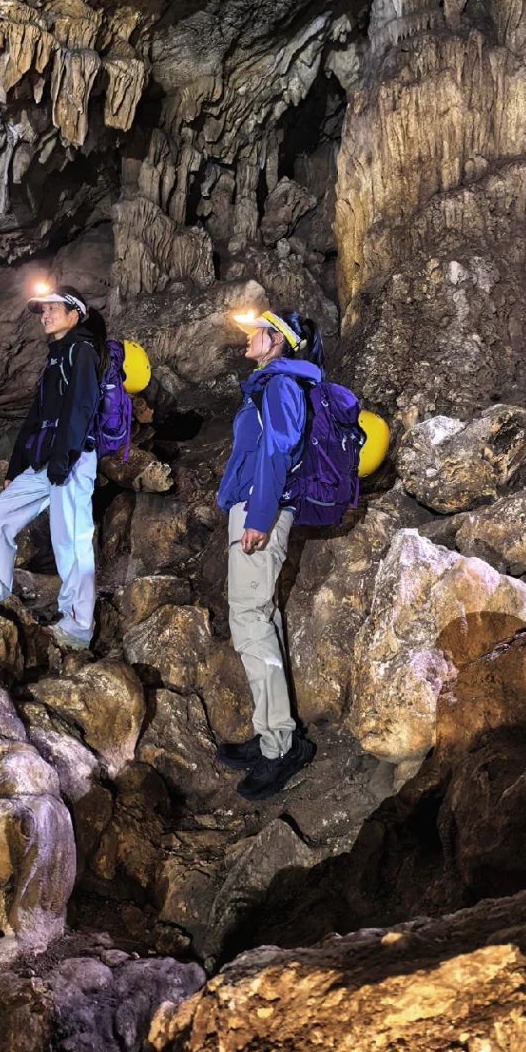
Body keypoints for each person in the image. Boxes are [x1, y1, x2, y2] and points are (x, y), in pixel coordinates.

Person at [214, 307, 321, 801]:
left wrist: (258, 515)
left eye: (255, 332)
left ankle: (281, 748)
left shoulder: (280, 385)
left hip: (263, 511)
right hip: (255, 507)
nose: (247, 338)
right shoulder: (269, 383)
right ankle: (270, 733)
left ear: (276, 341)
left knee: (251, 623)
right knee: (262, 620)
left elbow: (278, 450)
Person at [0, 284, 105, 651]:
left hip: (73, 458)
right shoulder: (54, 358)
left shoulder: (81, 352)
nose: (45, 315)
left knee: (72, 540)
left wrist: (65, 459)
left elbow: (81, 408)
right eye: (43, 310)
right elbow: (36, 417)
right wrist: (14, 469)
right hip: (45, 461)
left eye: (53, 308)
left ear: (74, 315)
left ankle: (78, 627)